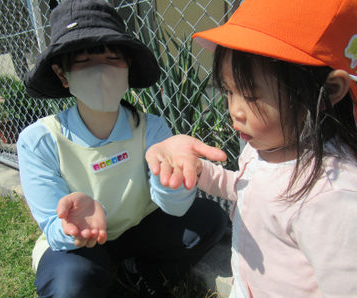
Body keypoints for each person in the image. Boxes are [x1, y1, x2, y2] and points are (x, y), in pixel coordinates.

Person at [145, 0, 357, 297]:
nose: (234, 110)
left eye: (251, 96)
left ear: (329, 92)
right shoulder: (267, 144)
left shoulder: (332, 196)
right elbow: (250, 190)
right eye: (229, 92)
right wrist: (199, 170)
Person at [17, 1, 228, 297]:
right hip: (82, 247)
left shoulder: (151, 127)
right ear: (62, 74)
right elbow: (54, 227)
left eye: (112, 57)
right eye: (85, 59)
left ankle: (141, 274)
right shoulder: (39, 140)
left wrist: (175, 182)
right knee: (68, 284)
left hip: (140, 228)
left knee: (209, 219)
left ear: (128, 68)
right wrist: (72, 229)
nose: (101, 70)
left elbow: (174, 206)